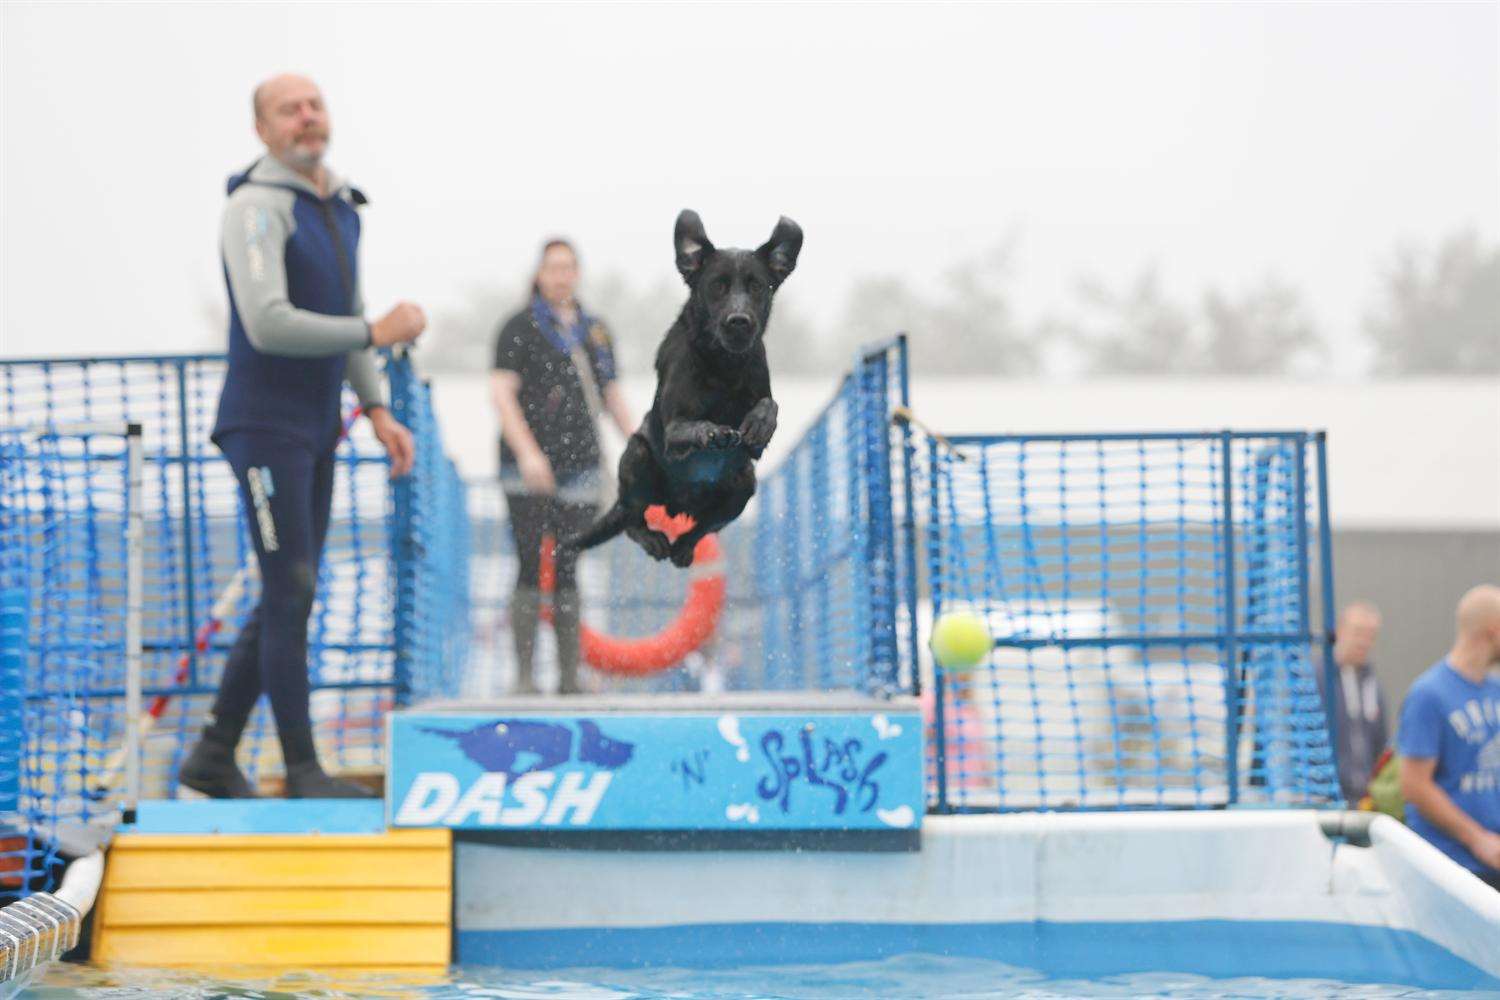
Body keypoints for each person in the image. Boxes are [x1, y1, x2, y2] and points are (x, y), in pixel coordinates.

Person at [179, 74, 426, 799]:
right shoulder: (255, 208)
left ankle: (213, 756)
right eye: (289, 109)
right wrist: (375, 332)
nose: (307, 117)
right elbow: (269, 321)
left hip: (315, 427)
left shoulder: (341, 208)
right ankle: (302, 769)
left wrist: (377, 407)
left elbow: (343, 312)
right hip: (262, 425)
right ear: (263, 130)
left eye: (315, 104)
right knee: (291, 585)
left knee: (293, 592)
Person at [490, 239, 635, 694]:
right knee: (530, 561)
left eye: (569, 267)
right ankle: (525, 677)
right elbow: (501, 394)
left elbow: (611, 394)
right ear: (539, 273)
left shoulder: (595, 331)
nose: (561, 276)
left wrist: (639, 444)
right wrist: (530, 453)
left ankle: (569, 678)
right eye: (553, 268)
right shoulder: (517, 327)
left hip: (582, 465)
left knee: (569, 562)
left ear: (578, 273)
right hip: (524, 467)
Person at [1398, 584, 1500, 889]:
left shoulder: (1493, 691)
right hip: (1450, 865)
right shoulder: (1429, 694)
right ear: (1493, 631)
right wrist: (1476, 838)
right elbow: (1414, 785)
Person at [1322, 601, 1388, 804]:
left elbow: (1380, 739)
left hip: (1363, 797)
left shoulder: (1370, 681)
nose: (1364, 642)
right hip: (1327, 796)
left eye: (1371, 636)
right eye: (1358, 633)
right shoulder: (1319, 676)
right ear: (1340, 631)